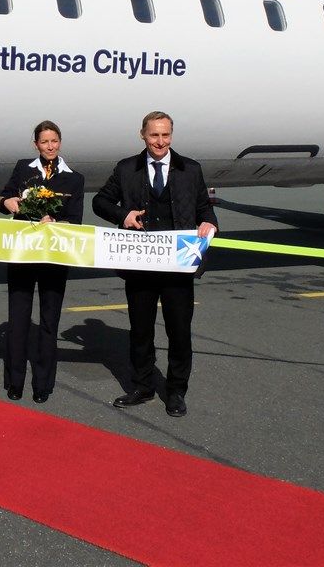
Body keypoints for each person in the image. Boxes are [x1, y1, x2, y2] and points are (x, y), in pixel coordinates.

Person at [92, 111, 218, 417]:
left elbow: (204, 207)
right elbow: (100, 201)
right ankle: (143, 386)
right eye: (153, 135)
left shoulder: (190, 169)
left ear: (171, 135)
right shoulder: (126, 169)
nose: (160, 142)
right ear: (142, 135)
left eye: (165, 135)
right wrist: (124, 215)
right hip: (140, 263)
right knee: (141, 330)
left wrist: (209, 225)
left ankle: (176, 391)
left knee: (179, 332)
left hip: (178, 265)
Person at [0, 120, 84, 404]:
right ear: (35, 144)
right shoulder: (25, 168)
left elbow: (76, 219)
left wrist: (56, 222)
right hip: (24, 253)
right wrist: (6, 202)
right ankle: (15, 380)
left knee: (49, 321)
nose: (50, 146)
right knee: (18, 319)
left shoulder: (74, 178)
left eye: (55, 141)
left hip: (55, 257)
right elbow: (5, 195)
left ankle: (43, 383)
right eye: (45, 142)